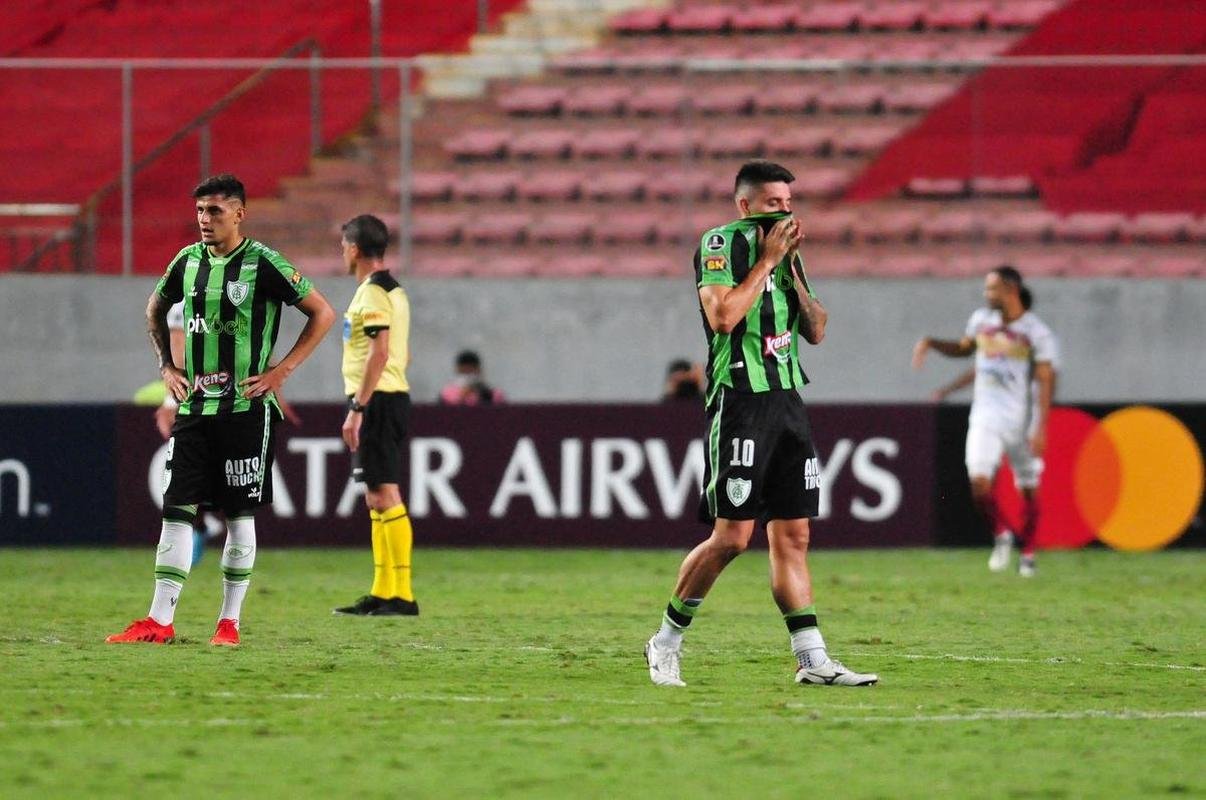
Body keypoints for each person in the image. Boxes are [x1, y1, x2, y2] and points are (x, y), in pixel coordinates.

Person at [644, 160, 878, 688]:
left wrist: (790, 270)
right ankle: (665, 642)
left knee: (794, 536)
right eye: (773, 202)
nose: (785, 209)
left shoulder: (788, 254)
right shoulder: (721, 245)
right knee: (731, 538)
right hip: (741, 399)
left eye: (789, 201)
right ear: (745, 205)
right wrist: (767, 261)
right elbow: (723, 317)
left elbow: (816, 329)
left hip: (788, 399)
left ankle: (812, 659)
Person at [106, 173, 335, 645]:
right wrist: (167, 368)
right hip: (195, 409)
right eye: (199, 212)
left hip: (247, 410)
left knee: (237, 514)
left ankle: (228, 623)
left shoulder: (264, 263)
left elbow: (322, 312)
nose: (205, 220)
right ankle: (159, 620)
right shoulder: (186, 261)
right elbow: (153, 308)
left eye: (214, 211)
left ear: (239, 213)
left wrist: (280, 373)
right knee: (176, 510)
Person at [912, 266, 1058, 577]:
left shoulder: (1037, 333)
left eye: (991, 288)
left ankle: (1028, 553)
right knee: (979, 483)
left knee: (1029, 489)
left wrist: (1041, 427)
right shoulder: (982, 321)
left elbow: (1045, 381)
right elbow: (965, 351)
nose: (986, 294)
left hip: (1020, 421)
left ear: (1010, 290)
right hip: (985, 416)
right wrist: (932, 343)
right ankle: (1002, 535)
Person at [333, 214, 420, 616]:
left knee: (384, 494)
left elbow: (380, 351)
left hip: (377, 400)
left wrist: (358, 407)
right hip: (387, 396)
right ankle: (383, 591)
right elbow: (402, 352)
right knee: (375, 496)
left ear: (353, 248)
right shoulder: (395, 292)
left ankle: (401, 594)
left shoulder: (371, 294)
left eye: (343, 246)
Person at [439, 350, 504, 405]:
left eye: (471, 371)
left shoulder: (493, 394)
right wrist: (462, 397)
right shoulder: (446, 393)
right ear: (457, 370)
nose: (468, 376)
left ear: (479, 370)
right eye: (464, 372)